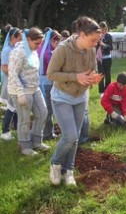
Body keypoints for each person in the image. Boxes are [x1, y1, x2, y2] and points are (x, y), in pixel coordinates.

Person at [47, 16, 103, 186]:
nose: (95, 44)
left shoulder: (91, 50)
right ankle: (55, 164)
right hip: (62, 97)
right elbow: (51, 74)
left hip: (81, 97)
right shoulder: (63, 49)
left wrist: (93, 77)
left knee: (76, 137)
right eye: (93, 40)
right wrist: (75, 77)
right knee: (69, 136)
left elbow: (92, 68)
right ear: (82, 35)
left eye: (97, 41)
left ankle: (68, 171)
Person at [7, 27, 48, 155]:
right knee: (24, 119)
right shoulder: (18, 52)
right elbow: (13, 74)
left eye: (40, 43)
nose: (38, 46)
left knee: (42, 112)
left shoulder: (33, 50)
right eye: (37, 43)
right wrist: (20, 93)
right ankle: (24, 146)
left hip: (34, 88)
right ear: (28, 39)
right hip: (21, 90)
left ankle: (36, 142)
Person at [37, 29, 61, 140]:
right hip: (48, 83)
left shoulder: (41, 49)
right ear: (51, 40)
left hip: (42, 81)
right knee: (49, 110)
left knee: (45, 109)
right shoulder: (48, 53)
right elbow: (55, 68)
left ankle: (47, 131)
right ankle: (47, 134)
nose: (57, 45)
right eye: (56, 43)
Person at [0, 27, 21, 140]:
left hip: (15, 81)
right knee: (11, 107)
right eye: (19, 38)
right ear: (13, 37)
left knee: (15, 107)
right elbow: (4, 68)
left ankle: (16, 129)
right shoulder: (7, 50)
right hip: (11, 81)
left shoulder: (13, 48)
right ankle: (5, 132)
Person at [97, 21, 113, 97]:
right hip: (99, 59)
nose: (103, 31)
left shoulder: (109, 36)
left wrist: (103, 44)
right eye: (101, 29)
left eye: (104, 29)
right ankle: (101, 91)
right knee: (100, 74)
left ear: (106, 29)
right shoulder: (97, 37)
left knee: (107, 75)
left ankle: (108, 90)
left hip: (107, 58)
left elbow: (111, 48)